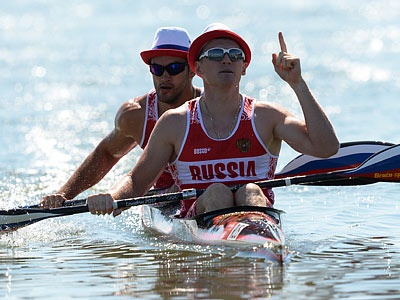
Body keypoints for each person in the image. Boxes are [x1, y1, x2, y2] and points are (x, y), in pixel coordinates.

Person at [86, 23, 339, 217]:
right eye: (216, 53)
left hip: (257, 219)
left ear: (244, 68)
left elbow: (326, 148)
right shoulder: (175, 123)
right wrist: (112, 197)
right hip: (197, 218)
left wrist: (298, 84)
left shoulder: (266, 116)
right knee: (217, 192)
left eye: (235, 54)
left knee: (251, 191)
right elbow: (136, 181)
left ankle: (255, 255)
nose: (226, 59)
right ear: (198, 68)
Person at [41, 26, 202, 208]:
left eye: (174, 68)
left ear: (192, 70)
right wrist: (63, 195)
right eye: (157, 69)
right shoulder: (135, 114)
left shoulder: (215, 108)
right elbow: (107, 154)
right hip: (164, 201)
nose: (164, 76)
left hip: (207, 195)